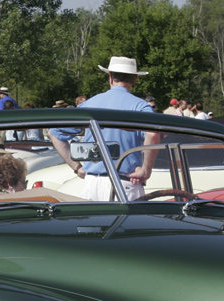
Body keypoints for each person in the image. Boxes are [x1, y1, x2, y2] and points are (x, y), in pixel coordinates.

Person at [48, 56, 161, 201]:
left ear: (110, 77)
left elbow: (54, 133)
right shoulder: (140, 106)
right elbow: (153, 134)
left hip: (92, 183)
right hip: (124, 183)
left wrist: (77, 167)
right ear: (134, 79)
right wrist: (146, 170)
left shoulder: (88, 105)